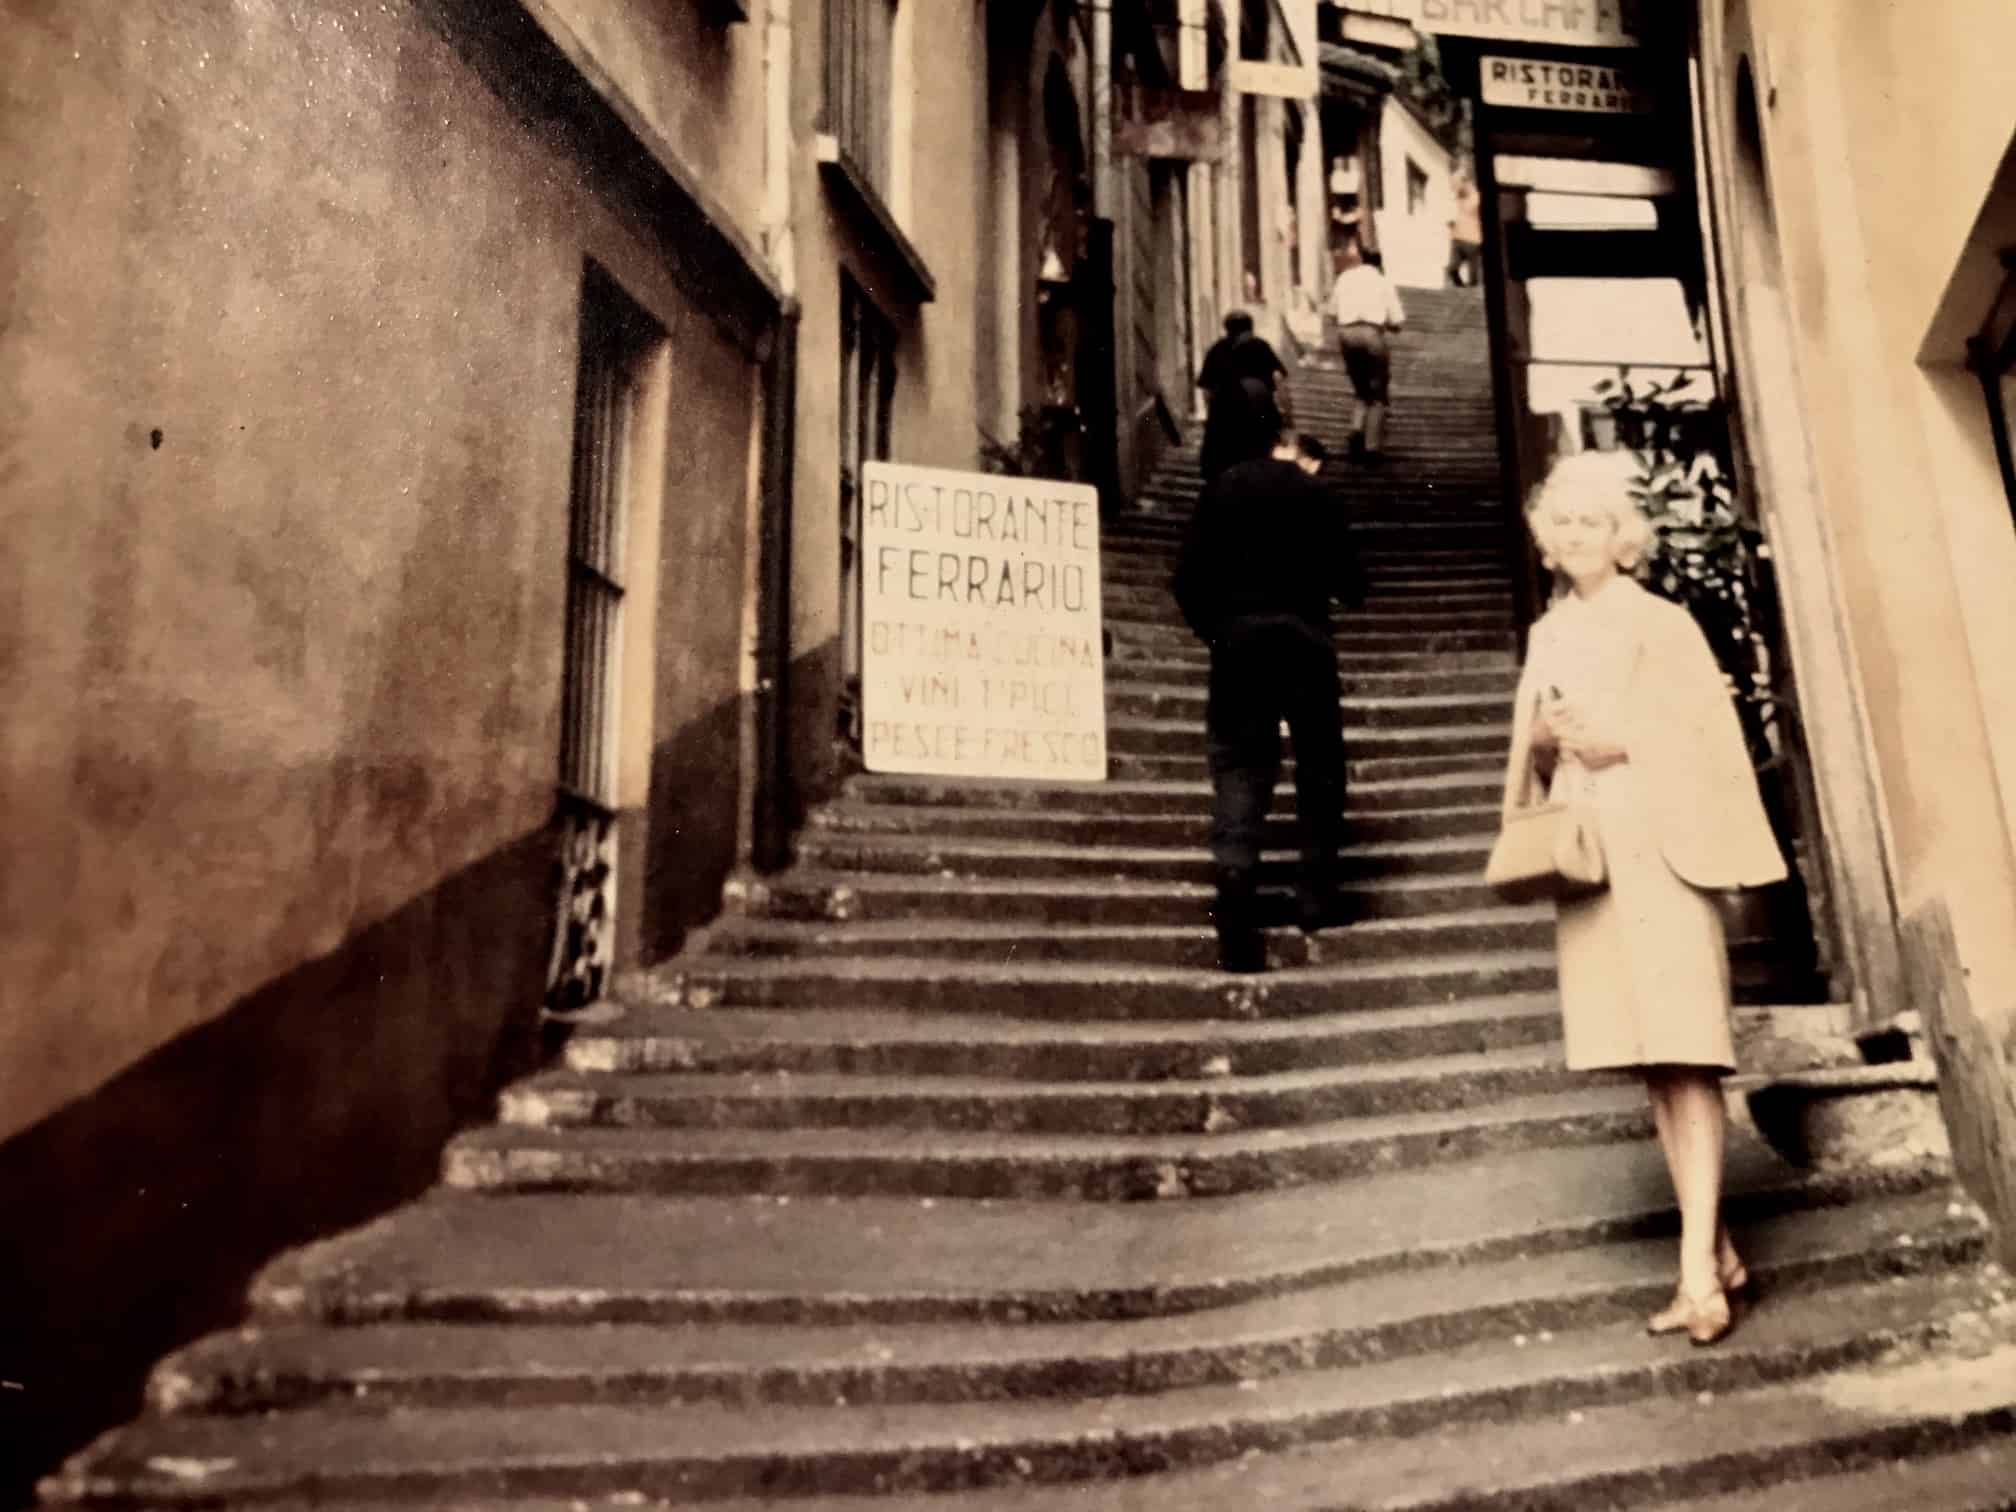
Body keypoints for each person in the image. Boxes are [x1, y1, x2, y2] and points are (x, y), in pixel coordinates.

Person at [1500, 451, 1788, 1346]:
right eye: (1565, 523)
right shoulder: (1549, 634)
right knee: (1655, 1062)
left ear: (1623, 538)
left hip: (1663, 846)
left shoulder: (1663, 624)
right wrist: (1548, 744)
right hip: (1591, 855)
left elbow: (1713, 738)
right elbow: (1528, 764)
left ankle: (1699, 1274)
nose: (1579, 535)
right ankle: (1720, 1249)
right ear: (1549, 540)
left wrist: (1625, 743)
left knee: (1688, 1051)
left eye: (1595, 522)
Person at [1173, 401, 1366, 973]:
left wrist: (1220, 631)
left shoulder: (1217, 493)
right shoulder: (1315, 491)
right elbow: (1354, 584)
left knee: (1240, 764)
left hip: (1239, 645)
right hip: (1305, 641)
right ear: (1279, 436)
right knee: (1320, 764)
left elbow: (1185, 582)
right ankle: (1315, 893)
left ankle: (1235, 884)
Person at [1328, 235, 1405, 463]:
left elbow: (1332, 312)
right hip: (1371, 334)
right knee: (1377, 393)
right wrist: (1387, 325)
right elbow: (1398, 321)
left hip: (1346, 333)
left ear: (1361, 259)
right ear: (1380, 263)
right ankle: (1371, 447)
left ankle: (1356, 429)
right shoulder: (1383, 282)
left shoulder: (1345, 278)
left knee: (1360, 388)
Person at [1196, 311, 1287, 483]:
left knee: (1221, 463)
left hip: (1225, 411)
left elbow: (1206, 388)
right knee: (1258, 456)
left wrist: (1211, 415)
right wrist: (1285, 415)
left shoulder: (1217, 348)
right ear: (1250, 327)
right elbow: (1278, 378)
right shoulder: (1261, 345)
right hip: (1259, 409)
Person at [1447, 171, 1483, 288]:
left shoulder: (1477, 198)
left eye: (1456, 185)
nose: (1455, 188)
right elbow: (1452, 215)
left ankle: (1469, 295)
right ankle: (1461, 290)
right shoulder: (1457, 198)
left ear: (1465, 182)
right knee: (1452, 268)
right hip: (1457, 238)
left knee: (1473, 278)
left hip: (1473, 239)